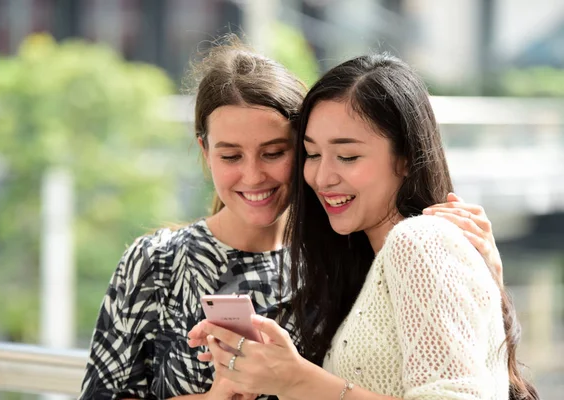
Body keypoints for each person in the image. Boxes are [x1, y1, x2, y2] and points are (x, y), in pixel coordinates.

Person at [79, 37, 505, 400]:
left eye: (275, 152)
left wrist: (485, 275)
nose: (253, 175)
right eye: (230, 155)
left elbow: (455, 360)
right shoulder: (159, 261)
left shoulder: (344, 250)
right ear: (204, 151)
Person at [188, 54, 538, 400]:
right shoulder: (365, 259)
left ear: (405, 157)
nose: (322, 177)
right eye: (311, 154)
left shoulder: (418, 241)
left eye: (348, 156)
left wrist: (298, 380)